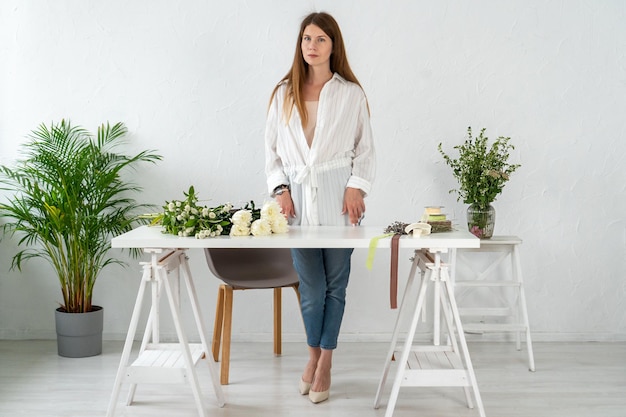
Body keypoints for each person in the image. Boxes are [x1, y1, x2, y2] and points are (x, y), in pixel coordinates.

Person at [264, 11, 375, 404]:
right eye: (306, 39)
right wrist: (280, 190)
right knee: (310, 288)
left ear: (333, 46)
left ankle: (325, 362)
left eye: (320, 40)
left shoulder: (350, 93)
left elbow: (364, 149)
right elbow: (272, 153)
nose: (311, 46)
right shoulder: (284, 93)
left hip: (339, 195)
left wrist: (355, 188)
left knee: (335, 286)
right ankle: (313, 357)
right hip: (298, 201)